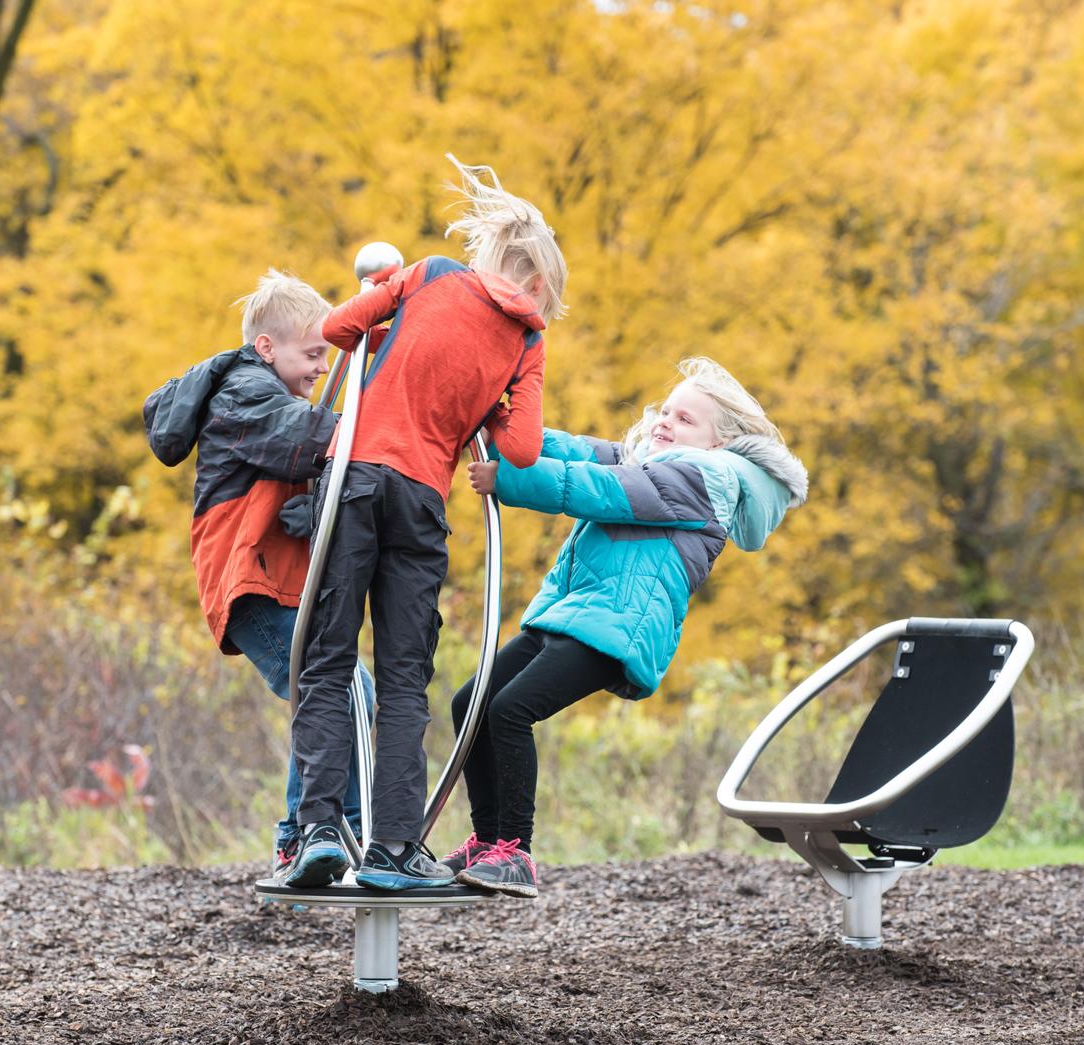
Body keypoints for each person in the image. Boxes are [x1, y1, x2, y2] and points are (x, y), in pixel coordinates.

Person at [284, 155, 569, 892]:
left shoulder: (434, 273)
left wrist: (390, 313)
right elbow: (521, 449)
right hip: (418, 501)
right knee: (404, 677)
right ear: (539, 284)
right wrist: (495, 399)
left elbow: (337, 326)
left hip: (352, 481)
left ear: (488, 252)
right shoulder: (527, 345)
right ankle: (393, 850)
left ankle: (316, 831)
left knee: (326, 660)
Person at [442, 356, 809, 897]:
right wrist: (502, 425)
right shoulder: (648, 459)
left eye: (685, 420)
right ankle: (488, 840)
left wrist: (512, 480)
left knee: (509, 710)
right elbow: (570, 449)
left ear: (716, 443)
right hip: (572, 616)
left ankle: (515, 850)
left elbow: (594, 487)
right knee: (469, 703)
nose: (665, 421)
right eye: (667, 410)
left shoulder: (701, 480)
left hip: (618, 628)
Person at [141, 268, 371, 878]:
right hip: (248, 582)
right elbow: (301, 439)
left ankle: (321, 831)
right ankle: (314, 833)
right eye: (312, 353)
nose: (322, 367)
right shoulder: (244, 392)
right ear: (267, 347)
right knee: (336, 693)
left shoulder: (267, 391)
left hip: (270, 578)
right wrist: (385, 425)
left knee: (338, 693)